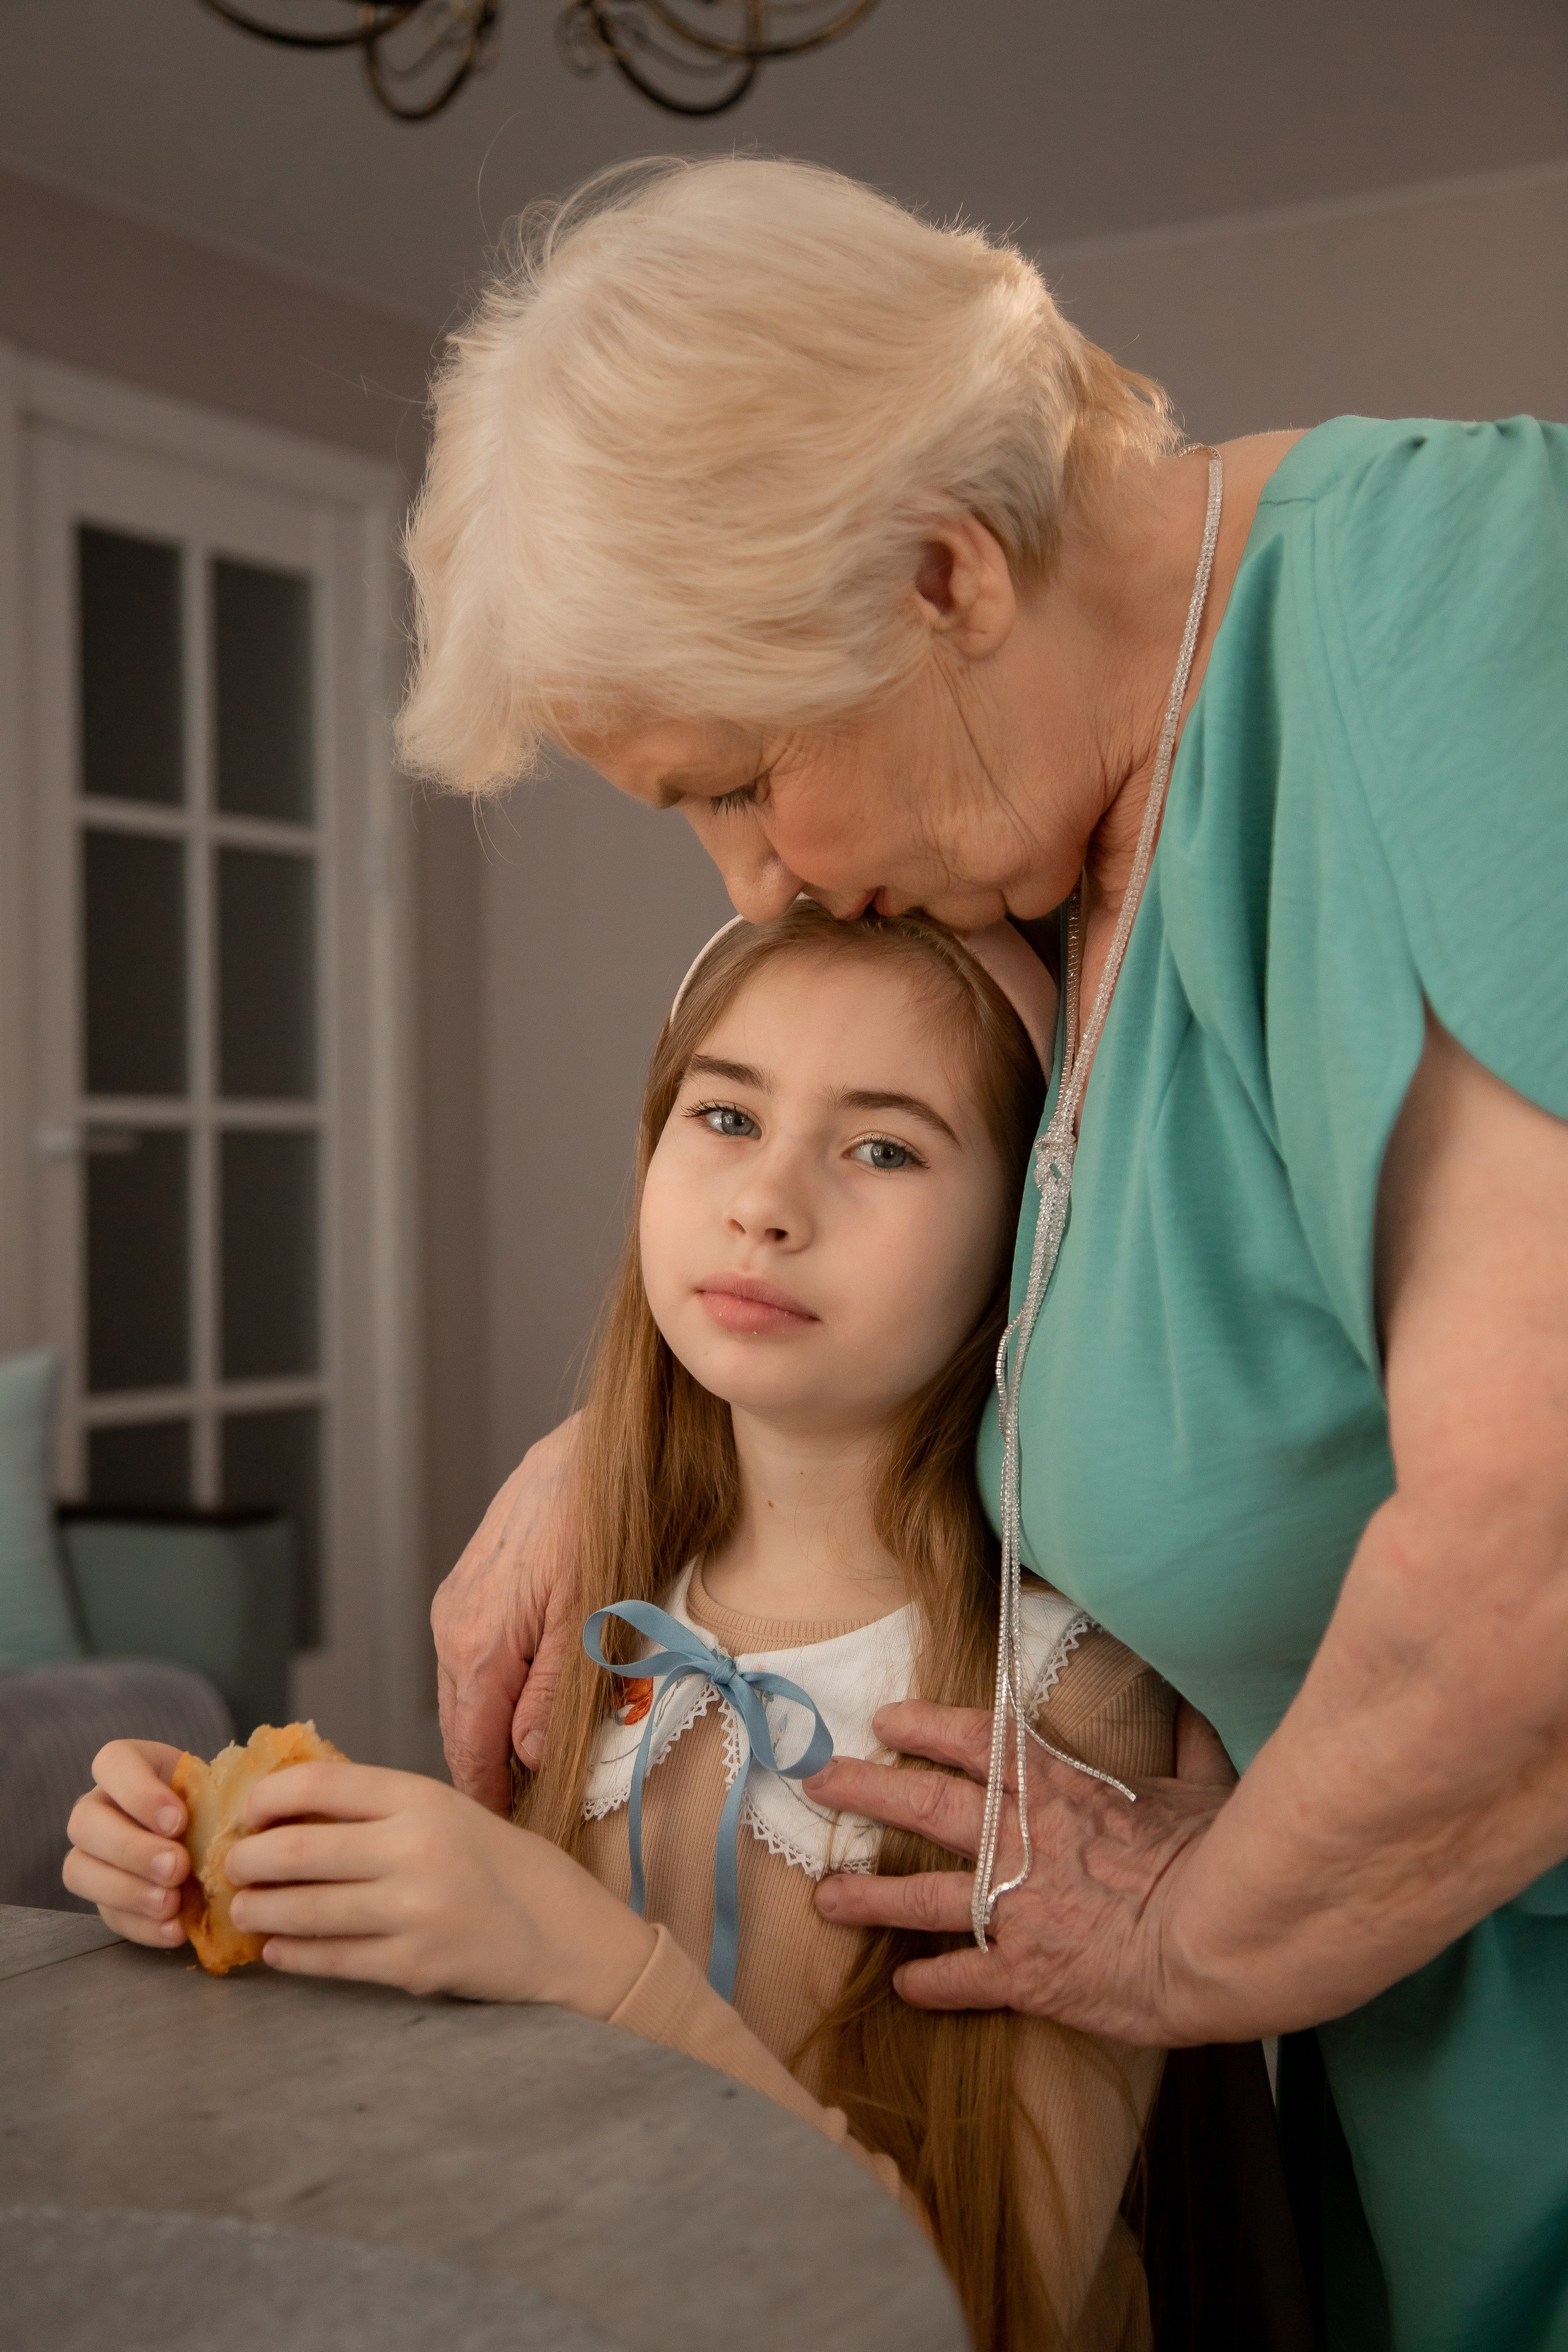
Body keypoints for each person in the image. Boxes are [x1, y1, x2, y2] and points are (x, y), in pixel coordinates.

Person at [396, 156, 1568, 2351]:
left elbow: (1544, 1532)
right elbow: (1065, 1313)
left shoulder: (1449, 598)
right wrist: (613, 1446)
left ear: (943, 572)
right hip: (1422, 2070)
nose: (751, 884)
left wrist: (1183, 1945)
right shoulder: (1061, 858)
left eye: (741, 780)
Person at [66, 900, 1191, 2352]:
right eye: (725, 1116)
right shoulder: (590, 1607)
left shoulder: (1073, 1689)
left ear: (1028, 1232)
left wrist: (585, 1959)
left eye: (883, 1148)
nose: (765, 1202)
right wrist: (240, 1885)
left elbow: (992, 2312)